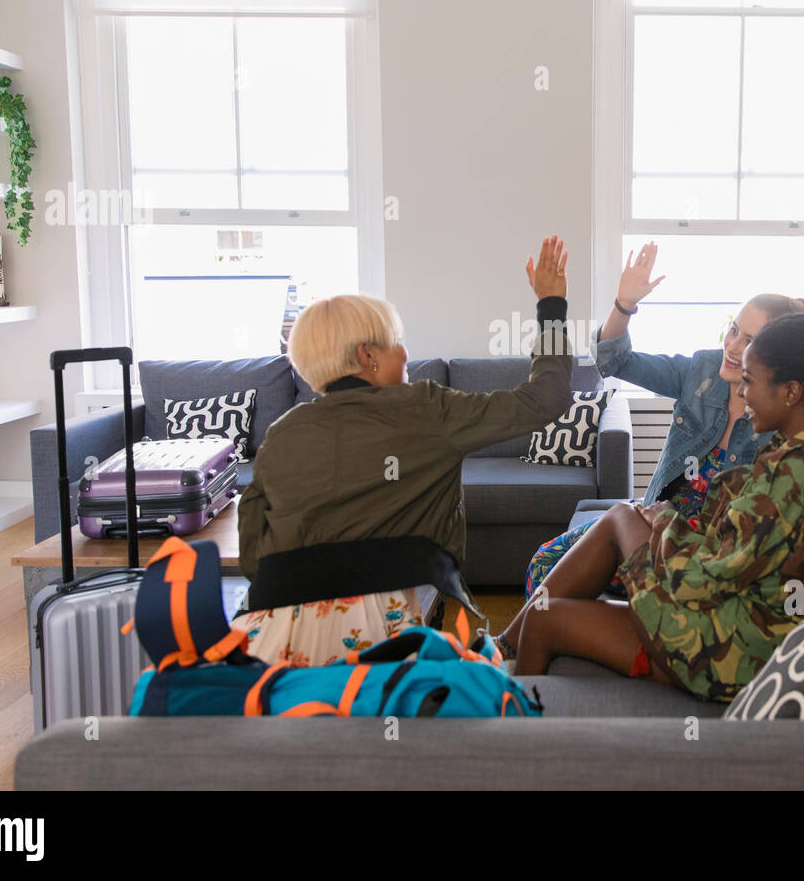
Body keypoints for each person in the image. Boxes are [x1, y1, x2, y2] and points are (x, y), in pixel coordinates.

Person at [504, 312, 804, 702]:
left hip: (732, 654)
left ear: (792, 392)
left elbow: (700, 579)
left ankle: (507, 724)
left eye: (750, 382)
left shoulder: (793, 476)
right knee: (620, 520)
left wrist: (662, 519)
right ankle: (495, 651)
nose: (741, 392)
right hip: (744, 623)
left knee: (551, 610)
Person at [233, 236, 573, 666]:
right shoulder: (425, 409)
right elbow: (546, 398)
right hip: (379, 635)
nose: (407, 353)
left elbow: (251, 551)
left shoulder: (281, 433)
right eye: (398, 341)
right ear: (368, 356)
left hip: (267, 635)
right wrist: (552, 306)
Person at [513, 240, 804, 633]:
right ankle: (532, 659)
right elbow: (614, 360)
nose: (732, 347)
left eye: (750, 341)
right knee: (545, 561)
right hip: (650, 520)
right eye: (733, 331)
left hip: (701, 552)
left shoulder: (782, 417)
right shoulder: (703, 369)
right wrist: (624, 305)